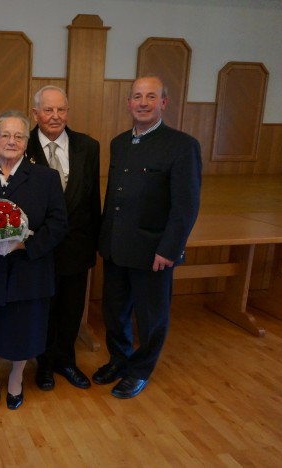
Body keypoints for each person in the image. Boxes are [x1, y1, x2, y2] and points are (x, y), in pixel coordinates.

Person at [95, 75, 202, 399]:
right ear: (129, 103)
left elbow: (186, 206)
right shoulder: (119, 143)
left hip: (153, 251)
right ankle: (119, 359)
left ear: (163, 103)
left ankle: (140, 370)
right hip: (116, 246)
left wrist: (169, 249)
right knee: (114, 311)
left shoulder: (182, 146)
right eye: (137, 97)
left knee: (151, 317)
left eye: (151, 96)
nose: (143, 103)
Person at [0, 110, 67, 409]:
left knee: (25, 328)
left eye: (19, 136)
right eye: (5, 135)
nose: (11, 141)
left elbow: (59, 223)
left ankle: (17, 376)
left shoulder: (46, 178)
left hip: (29, 269)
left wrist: (24, 245)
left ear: (26, 142)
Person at [26, 86, 101, 392]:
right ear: (36, 114)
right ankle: (44, 364)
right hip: (39, 248)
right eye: (48, 110)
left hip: (76, 246)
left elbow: (93, 199)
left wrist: (95, 243)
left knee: (71, 309)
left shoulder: (88, 147)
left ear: (68, 112)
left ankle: (66, 361)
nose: (55, 116)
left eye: (61, 110)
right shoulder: (23, 145)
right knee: (43, 310)